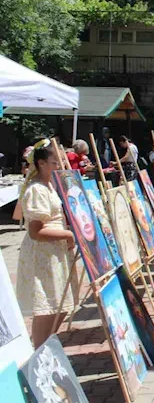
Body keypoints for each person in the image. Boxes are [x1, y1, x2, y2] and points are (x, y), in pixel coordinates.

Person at [15, 140, 79, 348]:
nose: (60, 165)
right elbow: (35, 231)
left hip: (55, 252)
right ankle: (40, 350)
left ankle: (46, 347)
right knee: (48, 306)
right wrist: (67, 234)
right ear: (41, 163)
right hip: (43, 253)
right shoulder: (37, 189)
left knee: (61, 304)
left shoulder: (49, 184)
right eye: (55, 162)